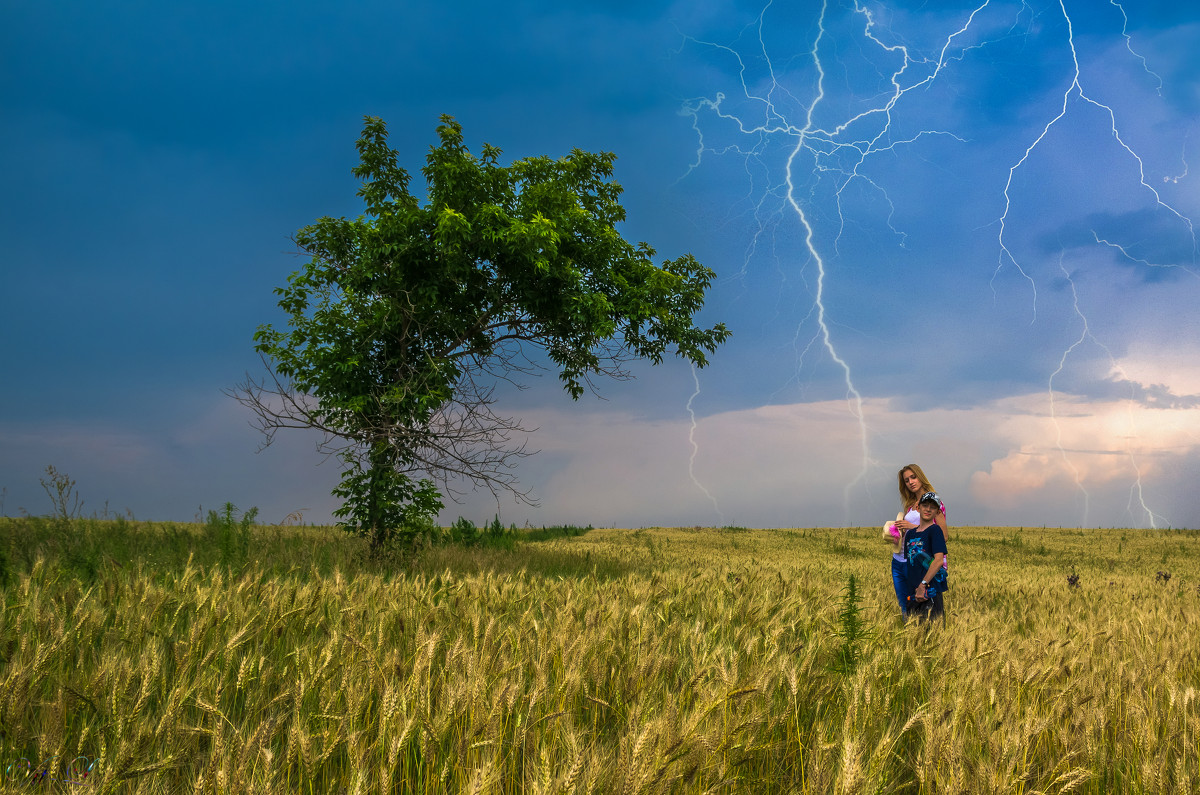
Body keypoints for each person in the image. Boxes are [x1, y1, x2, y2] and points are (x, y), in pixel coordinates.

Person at [881, 464, 949, 618]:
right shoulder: (910, 504)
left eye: (913, 477)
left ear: (920, 477)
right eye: (906, 480)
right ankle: (909, 636)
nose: (910, 482)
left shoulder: (933, 503)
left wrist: (913, 527)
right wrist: (896, 534)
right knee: (905, 604)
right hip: (900, 559)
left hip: (920, 563)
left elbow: (943, 536)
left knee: (926, 608)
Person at [902, 491, 949, 622]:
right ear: (918, 508)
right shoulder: (910, 534)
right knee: (912, 634)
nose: (928, 509)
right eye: (925, 505)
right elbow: (910, 564)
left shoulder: (935, 531)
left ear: (937, 512)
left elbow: (938, 561)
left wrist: (923, 585)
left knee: (933, 632)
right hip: (913, 592)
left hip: (930, 590)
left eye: (933, 507)